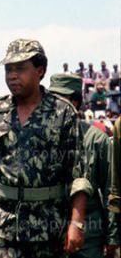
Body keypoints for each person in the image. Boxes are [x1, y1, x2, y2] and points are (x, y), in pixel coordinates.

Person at [0, 38, 92, 257]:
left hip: (49, 228)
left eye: (20, 69)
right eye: (8, 70)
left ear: (39, 71)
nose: (12, 76)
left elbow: (79, 175)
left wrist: (76, 224)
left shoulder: (63, 113)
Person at [48, 73, 120, 258]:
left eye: (61, 99)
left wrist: (112, 237)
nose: (54, 106)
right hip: (49, 231)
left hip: (89, 233)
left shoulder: (96, 139)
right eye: (51, 99)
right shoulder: (42, 138)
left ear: (75, 102)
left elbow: (109, 191)